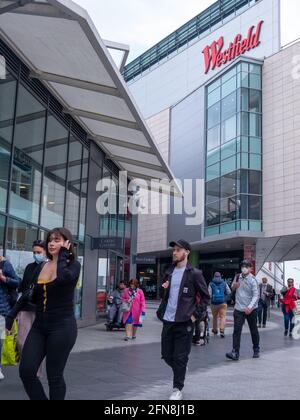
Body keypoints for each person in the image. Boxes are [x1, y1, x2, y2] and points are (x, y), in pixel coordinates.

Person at [6, 228, 81, 401]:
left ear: (67, 243)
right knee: (26, 371)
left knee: (54, 376)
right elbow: (28, 293)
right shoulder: (41, 266)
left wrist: (62, 255)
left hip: (62, 327)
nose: (52, 243)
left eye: (57, 240)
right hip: (39, 326)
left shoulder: (73, 266)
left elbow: (64, 279)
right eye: (50, 240)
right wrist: (12, 315)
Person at [157, 239, 210, 401]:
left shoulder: (195, 273)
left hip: (184, 322)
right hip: (168, 320)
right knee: (166, 355)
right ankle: (181, 368)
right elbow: (163, 295)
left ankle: (177, 388)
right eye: (174, 250)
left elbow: (206, 298)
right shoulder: (169, 272)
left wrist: (194, 316)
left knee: (180, 357)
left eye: (178, 250)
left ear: (186, 252)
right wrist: (162, 289)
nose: (174, 252)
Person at [15, 240, 47, 377]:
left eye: (38, 252)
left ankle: (36, 373)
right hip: (26, 308)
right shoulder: (29, 267)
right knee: (21, 341)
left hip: (42, 311)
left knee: (38, 344)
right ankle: (28, 366)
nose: (35, 255)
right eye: (34, 252)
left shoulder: (49, 267)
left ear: (45, 252)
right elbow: (22, 287)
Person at [226, 260, 260, 362]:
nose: (244, 268)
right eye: (242, 266)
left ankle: (256, 349)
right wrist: (233, 286)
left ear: (250, 268)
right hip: (239, 308)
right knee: (236, 331)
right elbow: (232, 287)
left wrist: (250, 307)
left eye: (246, 266)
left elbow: (256, 295)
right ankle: (235, 352)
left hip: (251, 309)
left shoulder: (253, 280)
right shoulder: (237, 277)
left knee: (253, 330)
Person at [0, 255, 20, 381]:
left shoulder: (5, 264)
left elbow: (17, 282)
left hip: (1, 309)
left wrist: (3, 278)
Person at [208, 272, 231, 338]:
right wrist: (225, 297)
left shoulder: (211, 284)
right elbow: (229, 292)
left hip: (214, 303)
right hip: (223, 303)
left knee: (215, 317)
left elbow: (209, 294)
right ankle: (222, 330)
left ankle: (215, 330)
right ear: (220, 276)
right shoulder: (224, 283)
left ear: (214, 276)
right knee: (223, 317)